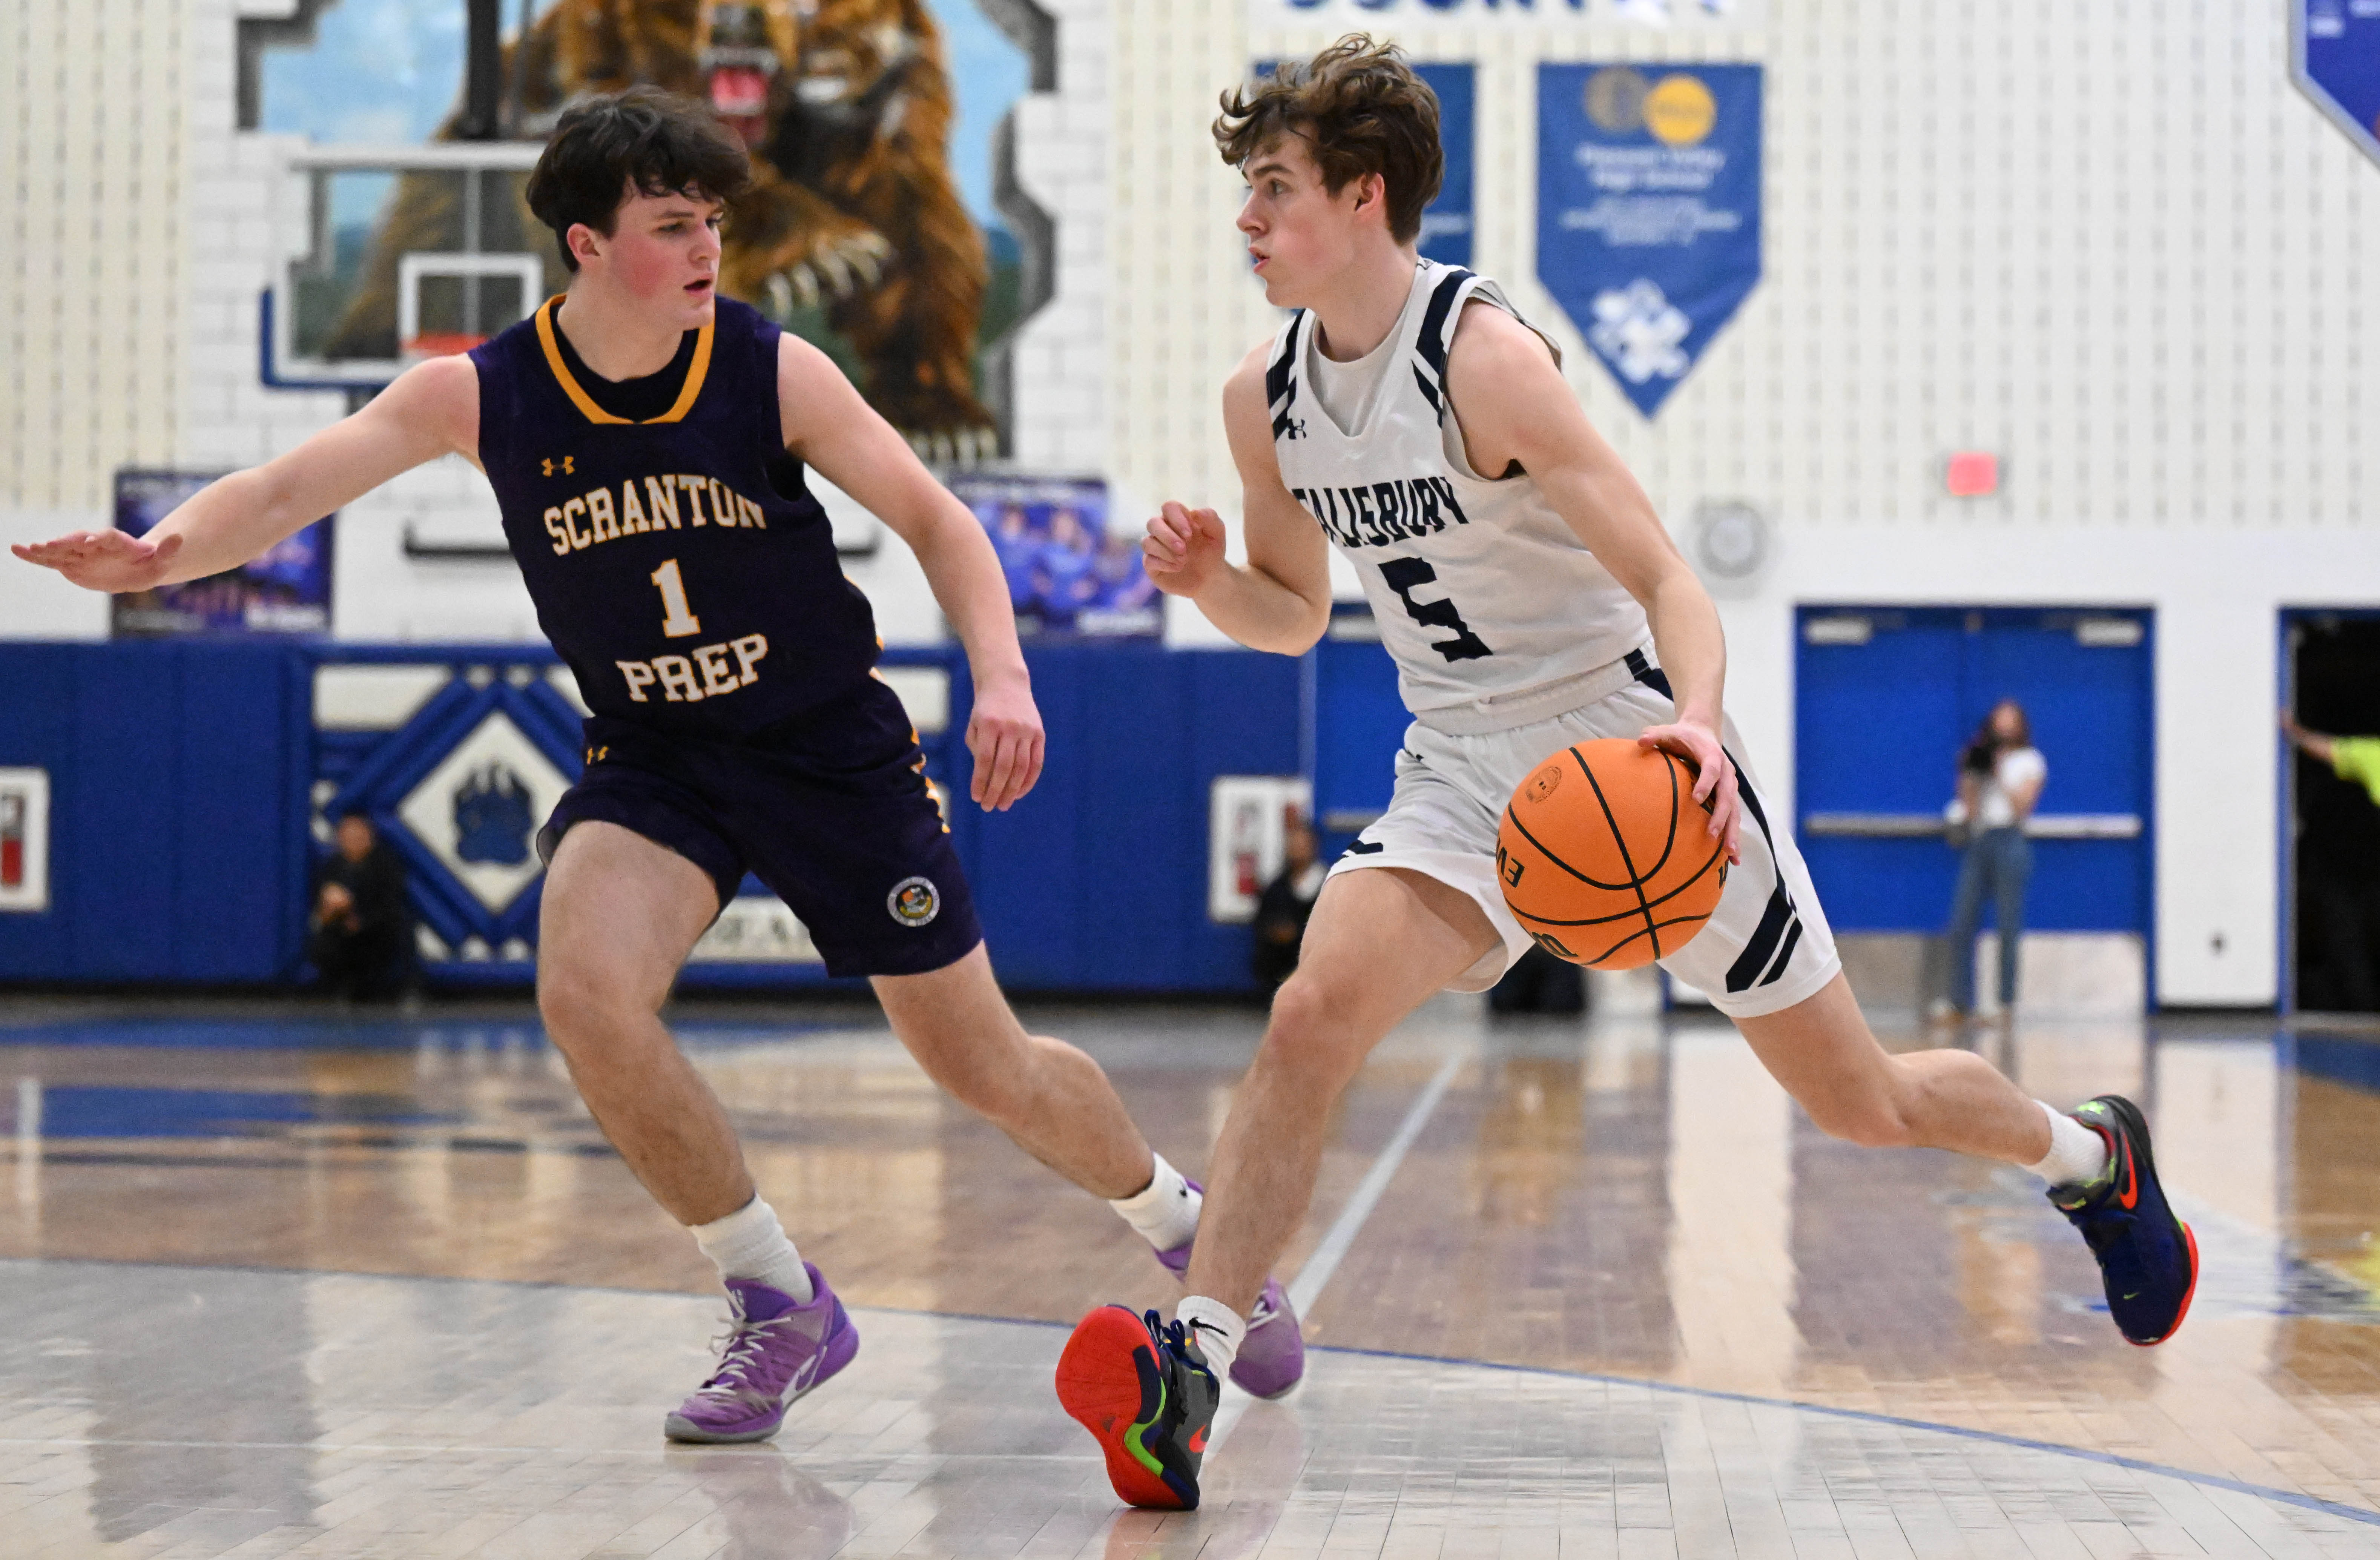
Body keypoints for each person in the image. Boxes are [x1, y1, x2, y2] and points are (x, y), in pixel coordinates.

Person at [12, 86, 1303, 1444]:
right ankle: (777, 1299)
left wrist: (1003, 674)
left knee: (985, 1065)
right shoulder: (482, 392)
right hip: (658, 749)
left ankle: (1187, 1229)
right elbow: (285, 491)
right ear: (586, 242)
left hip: (823, 747)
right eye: (673, 225)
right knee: (583, 990)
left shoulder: (769, 368)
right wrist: (159, 557)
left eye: (713, 223)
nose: (707, 248)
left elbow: (938, 520)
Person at [1051, 38, 2198, 1512]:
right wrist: (1212, 579)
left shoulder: (1482, 360)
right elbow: (1291, 613)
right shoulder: (1258, 399)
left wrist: (1698, 727)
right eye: (1246, 190)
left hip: (1622, 746)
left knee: (1860, 1099)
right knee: (1308, 1011)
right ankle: (1190, 1373)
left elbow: (1667, 577)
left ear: (1363, 193)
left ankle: (2088, 1155)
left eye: (1274, 187)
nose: (1246, 217)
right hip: (1457, 761)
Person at [1939, 699, 2047, 1023]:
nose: (2004, 726)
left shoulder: (2030, 761)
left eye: (2010, 719)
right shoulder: (1980, 757)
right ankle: (1958, 1001)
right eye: (1999, 719)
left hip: (2009, 839)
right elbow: (1969, 809)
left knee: (2008, 923)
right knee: (1961, 920)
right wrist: (1970, 775)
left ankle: (2005, 1003)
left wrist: (1999, 772)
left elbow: (2021, 808)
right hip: (1979, 839)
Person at [2282, 711, 2380, 1009]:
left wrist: (2295, 731)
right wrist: (2294, 731)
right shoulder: (2371, 755)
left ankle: (2363, 1003)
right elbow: (2328, 750)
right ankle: (2363, 1004)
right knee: (2347, 938)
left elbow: (2327, 749)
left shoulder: (2371, 755)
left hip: (2356, 871)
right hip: (2353, 870)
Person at [310, 811, 410, 1001]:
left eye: (357, 835)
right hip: (342, 930)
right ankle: (335, 988)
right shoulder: (333, 866)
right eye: (347, 836)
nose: (352, 841)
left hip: (378, 930)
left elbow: (392, 904)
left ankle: (397, 988)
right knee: (323, 944)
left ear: (369, 836)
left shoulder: (386, 866)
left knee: (398, 933)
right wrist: (333, 912)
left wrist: (362, 922)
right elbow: (321, 905)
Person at [1249, 815, 1323, 991]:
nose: (1297, 850)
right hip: (1278, 978)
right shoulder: (1276, 889)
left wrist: (1297, 935)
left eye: (1302, 845)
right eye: (1293, 845)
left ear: (1313, 847)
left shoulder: (1327, 886)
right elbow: (1261, 923)